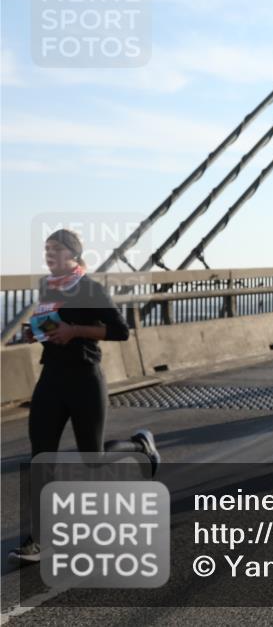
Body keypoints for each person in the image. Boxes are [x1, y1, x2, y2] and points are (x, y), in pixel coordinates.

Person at [9, 229, 160, 565]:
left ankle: (140, 446)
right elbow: (49, 326)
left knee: (93, 458)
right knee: (41, 457)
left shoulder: (89, 288)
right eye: (46, 249)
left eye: (56, 249)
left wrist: (75, 331)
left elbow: (120, 330)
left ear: (73, 255)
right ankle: (38, 539)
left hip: (85, 379)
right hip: (51, 379)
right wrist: (35, 333)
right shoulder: (49, 286)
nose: (49, 255)